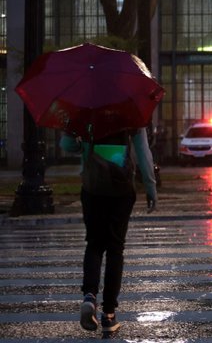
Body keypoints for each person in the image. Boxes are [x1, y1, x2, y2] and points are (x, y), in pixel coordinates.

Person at [60, 127, 158, 338]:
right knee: (115, 248)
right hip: (121, 188)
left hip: (93, 187)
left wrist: (80, 145)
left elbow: (66, 145)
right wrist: (150, 186)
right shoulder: (131, 112)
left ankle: (89, 297)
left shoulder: (86, 110)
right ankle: (109, 314)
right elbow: (143, 152)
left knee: (94, 244)